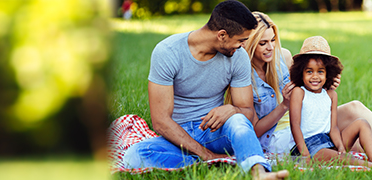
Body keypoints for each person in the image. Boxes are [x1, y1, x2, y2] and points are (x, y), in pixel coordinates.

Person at [237, 12, 372, 156]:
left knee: (355, 113)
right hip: (279, 136)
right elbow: (254, 130)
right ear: (251, 43)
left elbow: (308, 86)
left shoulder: (282, 57)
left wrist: (327, 86)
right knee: (349, 137)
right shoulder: (243, 75)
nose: (270, 48)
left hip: (305, 119)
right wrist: (284, 105)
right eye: (263, 43)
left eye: (273, 40)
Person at [122, 1, 288, 179]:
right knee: (134, 156)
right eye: (240, 40)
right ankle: (212, 162)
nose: (242, 46)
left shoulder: (238, 57)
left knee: (237, 119)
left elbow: (247, 112)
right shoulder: (167, 52)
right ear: (222, 35)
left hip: (216, 132)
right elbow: (161, 121)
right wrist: (206, 154)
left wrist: (233, 109)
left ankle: (258, 172)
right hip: (178, 136)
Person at [288, 36, 372, 169]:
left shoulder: (331, 95)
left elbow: (333, 128)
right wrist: (305, 155)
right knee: (345, 158)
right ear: (300, 72)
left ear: (328, 73)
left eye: (320, 71)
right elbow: (294, 125)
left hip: (328, 140)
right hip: (309, 146)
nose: (315, 76)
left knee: (362, 123)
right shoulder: (299, 92)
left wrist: (341, 146)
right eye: (309, 71)